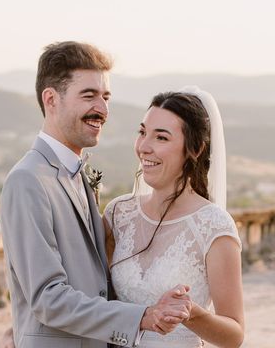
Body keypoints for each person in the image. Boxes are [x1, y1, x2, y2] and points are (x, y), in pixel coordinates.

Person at [0, 41, 191, 348]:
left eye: (105, 97)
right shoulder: (27, 181)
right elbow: (47, 298)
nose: (101, 109)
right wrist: (143, 316)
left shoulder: (80, 174)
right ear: (51, 99)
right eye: (88, 96)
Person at [104, 89, 245, 348]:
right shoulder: (118, 213)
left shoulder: (213, 226)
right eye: (143, 132)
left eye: (161, 137)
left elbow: (234, 334)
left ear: (195, 148)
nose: (144, 147)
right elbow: (89, 295)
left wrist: (192, 313)